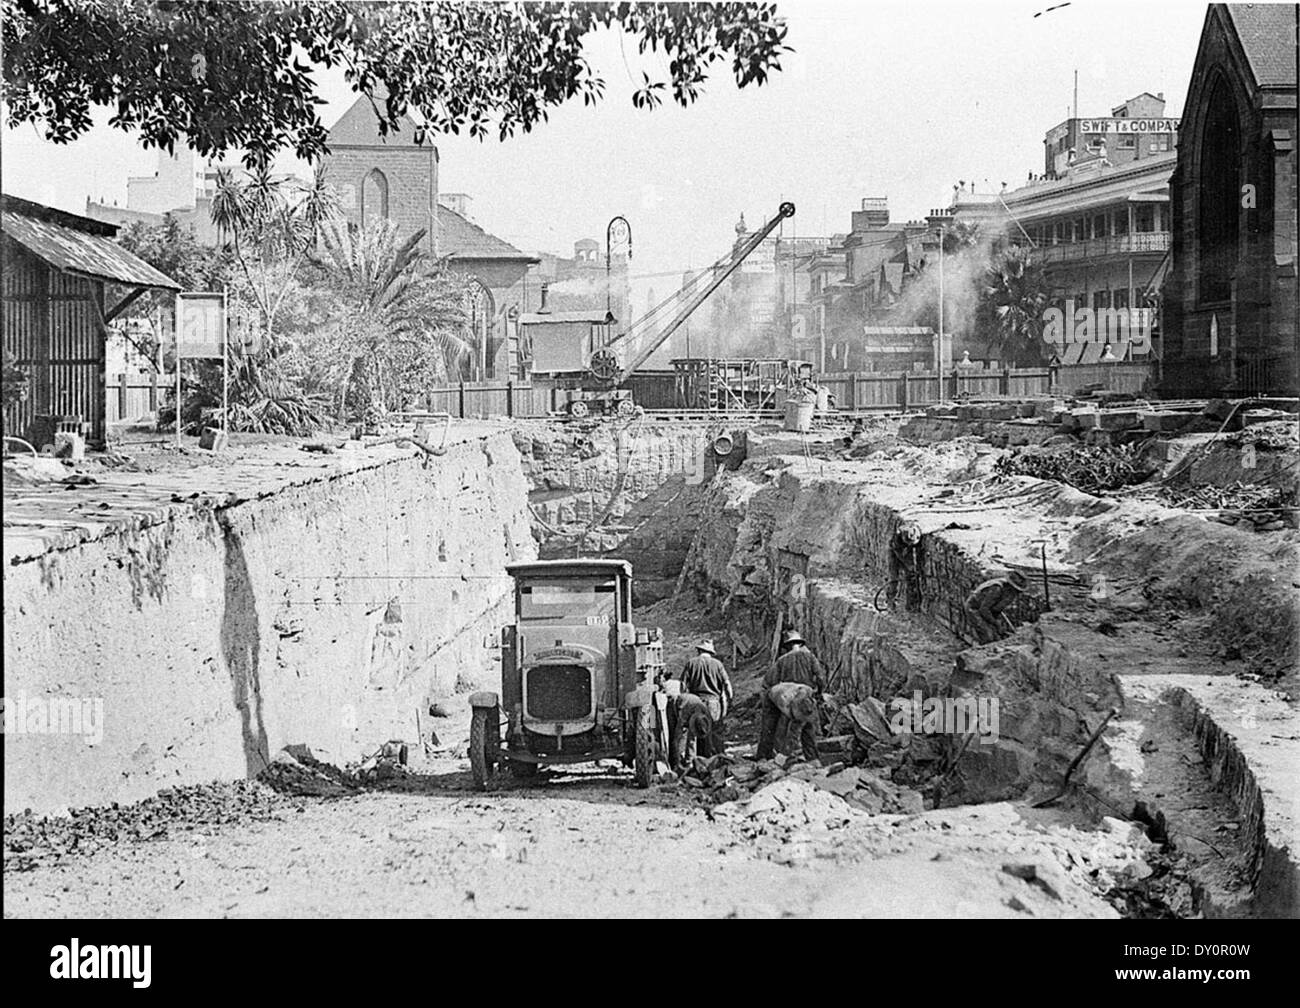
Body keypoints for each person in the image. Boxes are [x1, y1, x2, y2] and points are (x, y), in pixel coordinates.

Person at [756, 629, 826, 762]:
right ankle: (811, 759)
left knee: (783, 731)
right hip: (805, 697)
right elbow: (820, 677)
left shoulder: (782, 660)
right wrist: (820, 693)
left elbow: (770, 682)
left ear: (787, 646)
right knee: (808, 730)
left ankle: (772, 758)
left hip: (788, 698)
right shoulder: (810, 657)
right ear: (800, 644)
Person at [679, 640, 732, 757]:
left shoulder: (691, 663)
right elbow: (727, 684)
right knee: (714, 732)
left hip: (696, 703)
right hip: (713, 703)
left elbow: (682, 685)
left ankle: (692, 761)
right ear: (710, 652)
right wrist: (729, 699)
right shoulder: (718, 664)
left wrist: (685, 700)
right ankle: (715, 759)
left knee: (694, 731)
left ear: (699, 650)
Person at [963, 570, 1030, 644]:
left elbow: (996, 610)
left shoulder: (1008, 594)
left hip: (987, 610)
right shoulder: (996, 589)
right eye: (1016, 591)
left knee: (996, 635)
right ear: (1010, 587)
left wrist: (997, 626)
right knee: (987, 635)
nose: (1015, 595)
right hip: (974, 608)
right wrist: (995, 623)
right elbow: (984, 609)